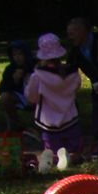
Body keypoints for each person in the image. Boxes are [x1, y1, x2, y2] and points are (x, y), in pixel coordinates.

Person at [24, 33, 82, 163]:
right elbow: (77, 87)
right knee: (75, 149)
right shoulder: (72, 73)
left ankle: (57, 160)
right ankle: (72, 157)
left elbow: (31, 97)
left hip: (48, 122)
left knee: (52, 153)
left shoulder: (37, 76)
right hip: (71, 118)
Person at [65, 17, 98, 150]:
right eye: (68, 34)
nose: (70, 37)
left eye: (72, 33)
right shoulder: (76, 50)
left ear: (83, 31)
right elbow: (69, 70)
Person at [0, 40, 36, 133]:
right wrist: (14, 81)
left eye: (20, 54)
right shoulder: (10, 69)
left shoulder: (35, 65)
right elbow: (1, 89)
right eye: (14, 55)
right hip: (21, 96)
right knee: (5, 97)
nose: (17, 57)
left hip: (37, 96)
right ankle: (18, 124)